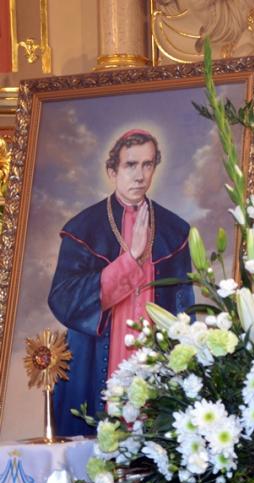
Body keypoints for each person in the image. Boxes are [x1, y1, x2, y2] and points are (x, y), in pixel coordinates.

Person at [48, 129, 194, 436]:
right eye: (130, 165)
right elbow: (62, 298)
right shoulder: (83, 227)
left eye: (147, 164)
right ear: (112, 171)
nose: (140, 175)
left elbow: (184, 312)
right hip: (97, 360)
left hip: (153, 363)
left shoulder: (175, 230)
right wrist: (130, 260)